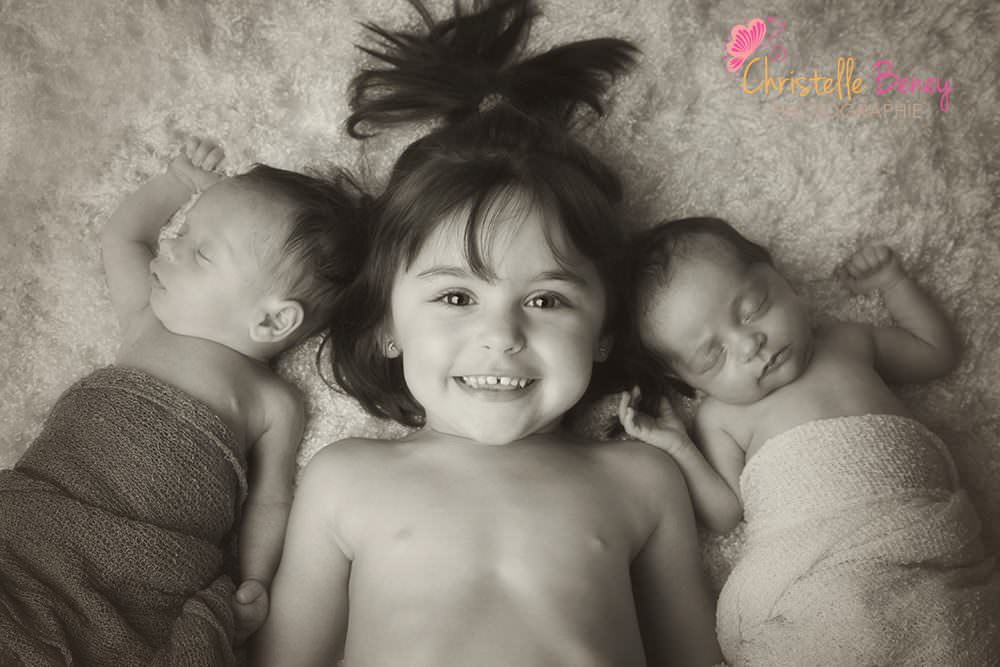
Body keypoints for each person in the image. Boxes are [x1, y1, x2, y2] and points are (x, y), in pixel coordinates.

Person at [253, 2, 724, 666]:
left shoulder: (642, 481)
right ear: (387, 324)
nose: (501, 334)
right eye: (456, 296)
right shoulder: (345, 480)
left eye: (546, 299)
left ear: (604, 331)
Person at [0, 137, 369, 665]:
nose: (170, 246)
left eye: (200, 251)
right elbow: (126, 237)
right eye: (182, 230)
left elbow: (270, 502)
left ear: (272, 320)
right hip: (40, 523)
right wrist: (177, 184)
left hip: (141, 571)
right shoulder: (147, 321)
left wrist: (255, 578)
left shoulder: (273, 402)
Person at [618, 216, 1000, 665]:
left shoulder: (848, 341)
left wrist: (894, 283)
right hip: (822, 579)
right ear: (686, 381)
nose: (749, 344)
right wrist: (679, 446)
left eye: (752, 308)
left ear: (781, 278)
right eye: (713, 355)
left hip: (923, 544)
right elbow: (724, 513)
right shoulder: (721, 416)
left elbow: (936, 353)